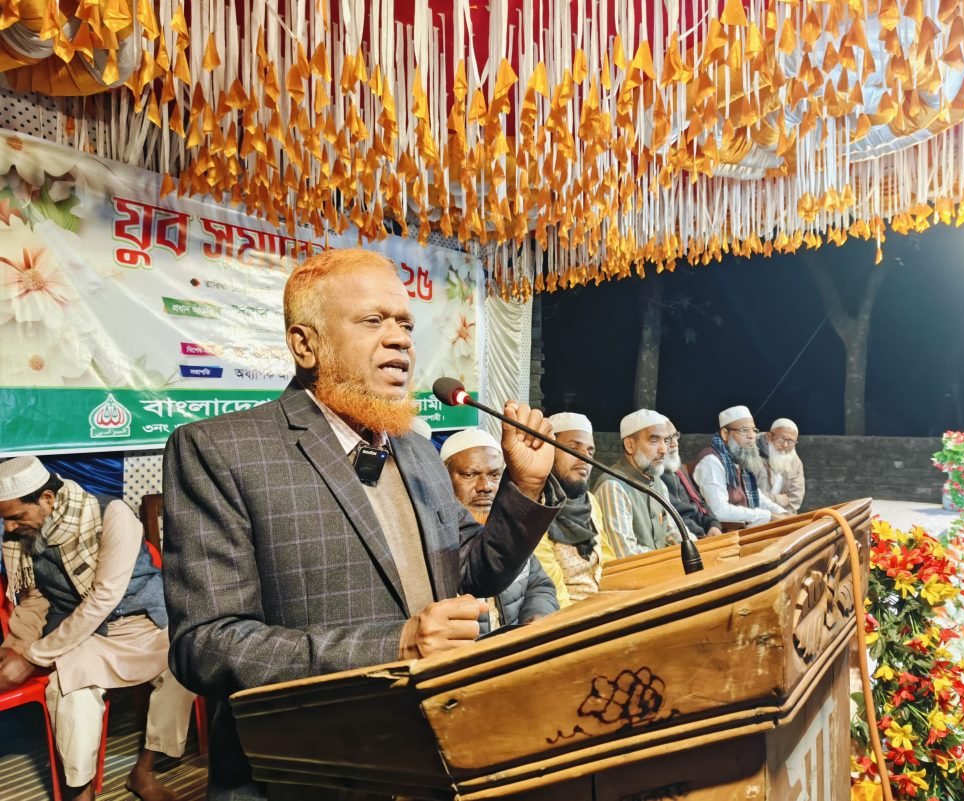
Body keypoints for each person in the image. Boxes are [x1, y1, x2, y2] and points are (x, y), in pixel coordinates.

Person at [163, 248, 562, 801]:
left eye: (405, 324)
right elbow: (206, 646)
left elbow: (475, 569)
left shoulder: (418, 452)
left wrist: (525, 487)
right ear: (306, 344)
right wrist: (393, 646)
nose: (399, 340)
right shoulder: (220, 450)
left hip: (434, 754)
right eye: (373, 321)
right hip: (309, 777)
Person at [0, 457, 195, 801]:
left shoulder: (112, 515)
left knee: (184, 665)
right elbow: (33, 599)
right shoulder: (19, 535)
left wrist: (32, 657)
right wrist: (15, 647)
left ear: (47, 499)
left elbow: (103, 598)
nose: (10, 527)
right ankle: (81, 792)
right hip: (83, 631)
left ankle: (144, 772)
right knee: (68, 690)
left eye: (16, 516)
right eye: (5, 520)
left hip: (143, 620)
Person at [440, 429, 559, 630]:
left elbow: (539, 586)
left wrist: (536, 617)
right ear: (443, 479)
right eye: (470, 475)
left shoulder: (510, 533)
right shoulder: (436, 542)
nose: (485, 486)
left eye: (494, 475)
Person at [533, 412, 617, 606]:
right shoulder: (536, 506)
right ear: (549, 451)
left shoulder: (589, 502)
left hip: (604, 606)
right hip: (567, 615)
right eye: (573, 448)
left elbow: (608, 562)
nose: (584, 458)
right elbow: (551, 588)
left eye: (590, 452)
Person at [592, 409, 682, 557]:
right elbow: (624, 554)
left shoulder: (658, 484)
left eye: (665, 441)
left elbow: (671, 531)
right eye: (654, 441)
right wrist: (670, 560)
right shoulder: (613, 486)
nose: (663, 450)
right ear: (630, 445)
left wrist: (697, 549)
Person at [692, 406, 790, 528]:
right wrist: (769, 516)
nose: (752, 436)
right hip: (726, 534)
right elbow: (719, 511)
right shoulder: (711, 461)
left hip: (744, 529)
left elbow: (759, 499)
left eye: (753, 430)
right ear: (725, 434)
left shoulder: (738, 459)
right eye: (744, 430)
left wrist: (784, 514)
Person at [661, 419, 722, 539]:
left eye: (675, 436)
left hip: (704, 534)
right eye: (667, 439)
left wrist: (712, 524)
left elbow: (700, 502)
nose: (675, 444)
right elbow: (673, 519)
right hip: (689, 538)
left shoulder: (678, 469)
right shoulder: (654, 477)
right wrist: (700, 536)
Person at [757, 418, 806, 514]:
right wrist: (777, 499)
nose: (785, 445)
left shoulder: (796, 463)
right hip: (752, 517)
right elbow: (747, 495)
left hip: (780, 518)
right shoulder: (752, 455)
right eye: (780, 439)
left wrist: (783, 518)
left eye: (791, 441)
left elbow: (795, 500)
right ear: (769, 437)